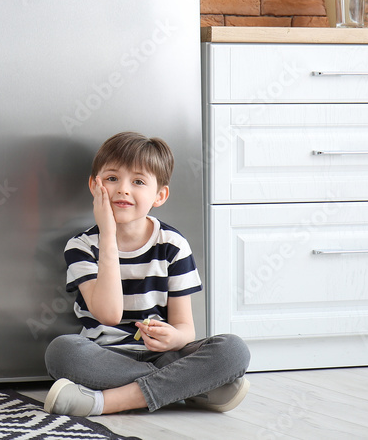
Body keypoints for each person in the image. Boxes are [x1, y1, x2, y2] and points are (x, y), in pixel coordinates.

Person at [43, 131, 250, 416]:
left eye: (138, 181)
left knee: (233, 350)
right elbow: (109, 315)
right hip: (105, 355)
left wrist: (174, 338)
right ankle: (192, 386)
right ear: (94, 185)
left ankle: (104, 402)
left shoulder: (172, 245)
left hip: (165, 356)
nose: (123, 189)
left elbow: (184, 328)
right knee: (61, 352)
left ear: (160, 195)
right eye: (112, 178)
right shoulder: (81, 246)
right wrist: (108, 235)